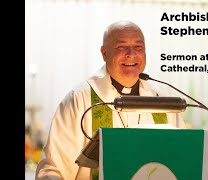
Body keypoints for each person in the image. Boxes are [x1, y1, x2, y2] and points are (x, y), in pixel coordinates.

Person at [35, 20, 186, 179]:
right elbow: (53, 168)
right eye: (121, 47)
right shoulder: (80, 99)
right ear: (104, 53)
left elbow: (181, 158)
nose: (131, 53)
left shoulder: (163, 102)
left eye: (138, 47)